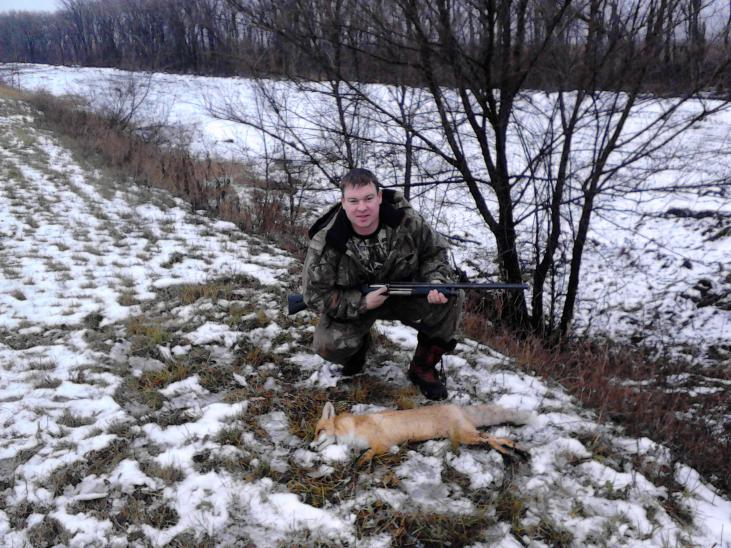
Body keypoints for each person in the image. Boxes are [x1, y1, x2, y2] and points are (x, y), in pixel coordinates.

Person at [302, 168, 464, 400]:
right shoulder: (327, 241)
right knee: (327, 344)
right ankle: (356, 350)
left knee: (453, 297)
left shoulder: (408, 222)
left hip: (407, 295)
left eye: (368, 198)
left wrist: (435, 282)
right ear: (343, 203)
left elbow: (434, 253)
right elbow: (315, 294)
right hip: (359, 304)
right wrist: (361, 303)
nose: (362, 207)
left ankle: (422, 367)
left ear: (379, 196)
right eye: (353, 201)